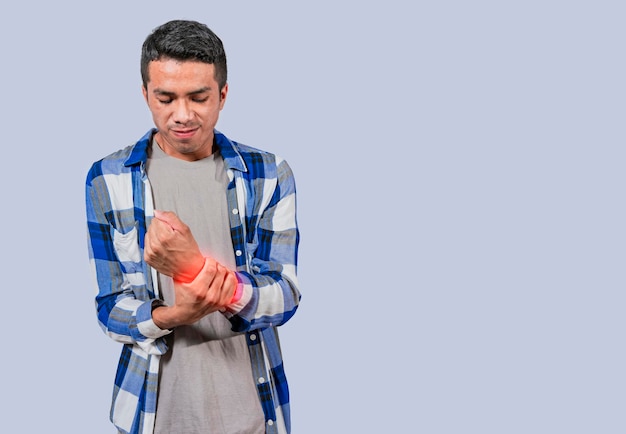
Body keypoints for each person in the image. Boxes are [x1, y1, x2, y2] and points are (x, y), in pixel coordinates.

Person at [85, 19, 301, 434]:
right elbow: (109, 306)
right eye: (165, 98)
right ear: (145, 94)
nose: (181, 115)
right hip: (152, 414)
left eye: (198, 97)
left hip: (253, 413)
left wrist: (193, 272)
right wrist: (171, 315)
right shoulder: (107, 178)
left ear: (222, 94)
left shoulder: (269, 174)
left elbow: (286, 295)